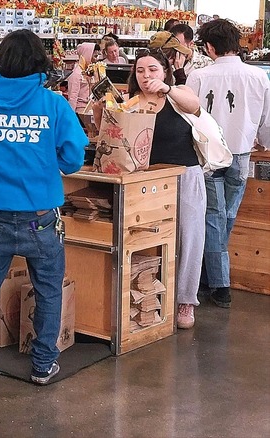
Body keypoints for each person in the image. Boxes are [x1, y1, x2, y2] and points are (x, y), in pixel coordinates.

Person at [0, 29, 86, 384]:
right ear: (38, 62)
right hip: (41, 216)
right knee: (47, 288)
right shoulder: (54, 105)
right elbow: (74, 158)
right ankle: (43, 364)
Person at [186, 19, 270, 309]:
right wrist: (262, 140)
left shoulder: (199, 76)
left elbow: (189, 116)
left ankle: (215, 283)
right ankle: (216, 283)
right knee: (224, 216)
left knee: (215, 217)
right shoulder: (259, 77)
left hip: (208, 153)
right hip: (242, 152)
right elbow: (266, 120)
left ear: (209, 46)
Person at [127, 48, 205, 328]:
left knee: (190, 237)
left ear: (164, 71)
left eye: (152, 69)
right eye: (140, 70)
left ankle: (186, 300)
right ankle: (147, 296)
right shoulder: (129, 102)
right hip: (147, 180)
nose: (146, 75)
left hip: (186, 175)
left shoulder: (178, 94)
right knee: (147, 237)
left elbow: (195, 105)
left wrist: (168, 89)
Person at [67, 42, 97, 113]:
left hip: (91, 109)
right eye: (94, 56)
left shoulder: (91, 70)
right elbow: (72, 97)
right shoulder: (76, 73)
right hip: (80, 111)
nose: (96, 59)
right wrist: (72, 116)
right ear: (87, 55)